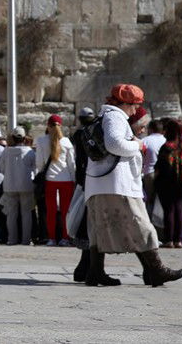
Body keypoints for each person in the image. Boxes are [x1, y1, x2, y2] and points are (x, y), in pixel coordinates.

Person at [86, 84, 182, 288]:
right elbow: (114, 144)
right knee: (140, 224)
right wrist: (137, 145)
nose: (134, 111)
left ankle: (95, 271)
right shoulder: (115, 117)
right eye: (134, 105)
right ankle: (156, 270)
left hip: (102, 183)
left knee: (100, 227)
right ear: (125, 103)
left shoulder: (105, 116)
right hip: (117, 184)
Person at [69, 107, 117, 284]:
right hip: (93, 181)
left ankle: (85, 268)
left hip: (85, 181)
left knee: (89, 224)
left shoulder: (78, 135)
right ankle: (87, 268)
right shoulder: (91, 134)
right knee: (92, 225)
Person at [35, 114, 76, 246]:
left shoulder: (41, 141)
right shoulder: (66, 142)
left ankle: (51, 238)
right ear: (60, 126)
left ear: (48, 125)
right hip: (66, 180)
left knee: (50, 211)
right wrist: (74, 180)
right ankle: (65, 238)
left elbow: (39, 163)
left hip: (50, 180)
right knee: (66, 211)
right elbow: (72, 164)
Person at [154, 119, 182, 249]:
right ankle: (178, 240)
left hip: (166, 182)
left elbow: (160, 166)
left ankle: (169, 239)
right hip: (181, 182)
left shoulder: (167, 147)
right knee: (179, 209)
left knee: (169, 210)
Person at [0, 126, 34, 245]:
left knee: (11, 214)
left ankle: (12, 239)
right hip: (26, 185)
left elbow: (2, 169)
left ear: (13, 138)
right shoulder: (29, 151)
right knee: (26, 213)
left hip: (10, 185)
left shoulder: (6, 151)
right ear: (24, 138)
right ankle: (26, 240)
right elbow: (35, 168)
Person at [140, 117, 166, 217]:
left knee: (149, 200)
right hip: (164, 174)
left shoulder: (144, 141)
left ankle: (150, 220)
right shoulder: (166, 140)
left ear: (150, 129)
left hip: (149, 173)